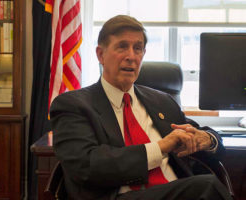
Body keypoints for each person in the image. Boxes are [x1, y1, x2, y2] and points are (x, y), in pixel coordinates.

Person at [50, 15, 233, 200]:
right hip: (120, 195)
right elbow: (87, 166)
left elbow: (204, 137)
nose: (131, 56)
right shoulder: (73, 105)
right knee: (206, 186)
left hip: (176, 191)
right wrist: (160, 147)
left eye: (138, 49)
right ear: (100, 55)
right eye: (122, 47)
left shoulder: (162, 102)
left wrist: (208, 139)